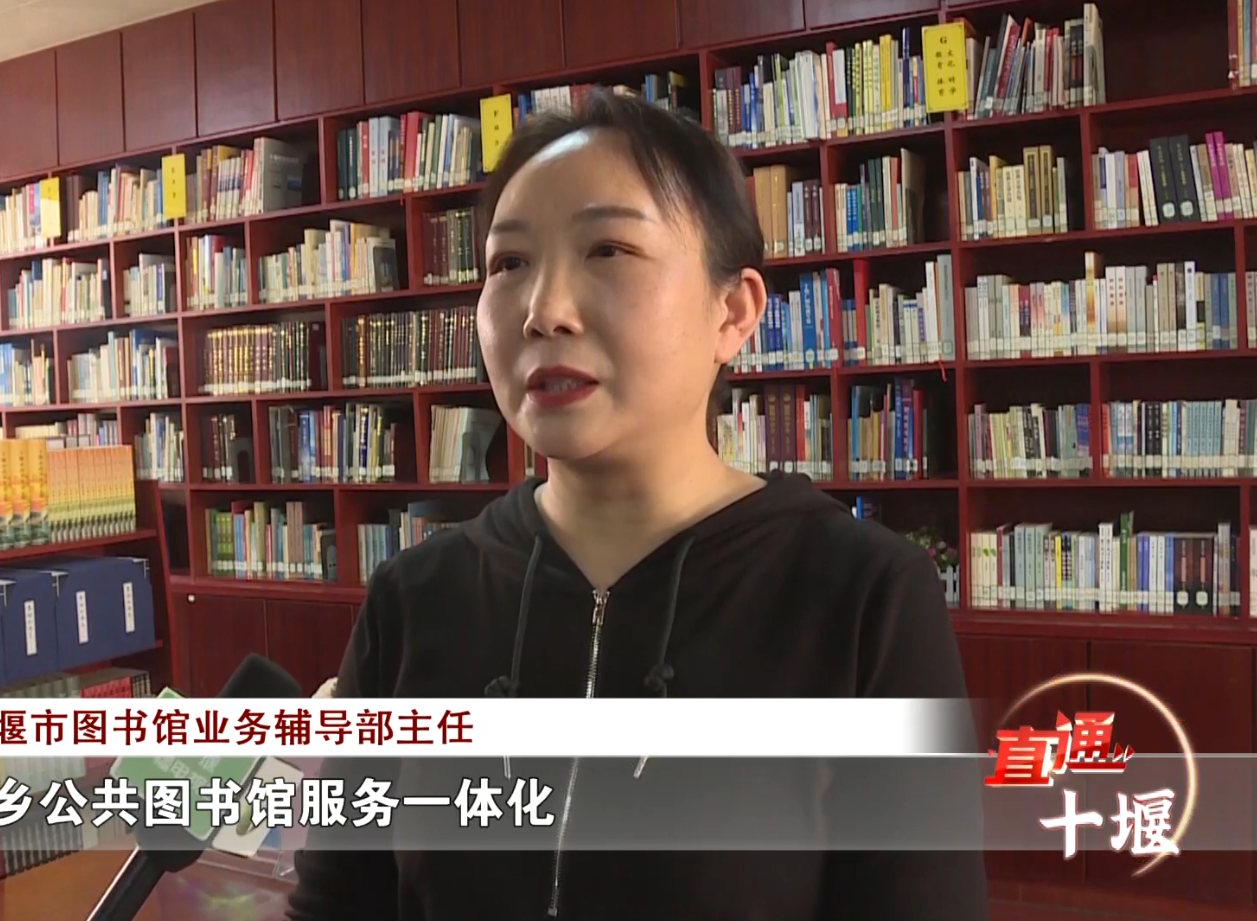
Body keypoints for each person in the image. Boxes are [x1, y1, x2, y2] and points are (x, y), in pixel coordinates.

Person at [285, 89, 987, 920]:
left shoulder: (864, 595)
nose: (543, 311)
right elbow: (337, 901)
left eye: (608, 249)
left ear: (732, 312)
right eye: (508, 264)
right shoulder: (412, 596)